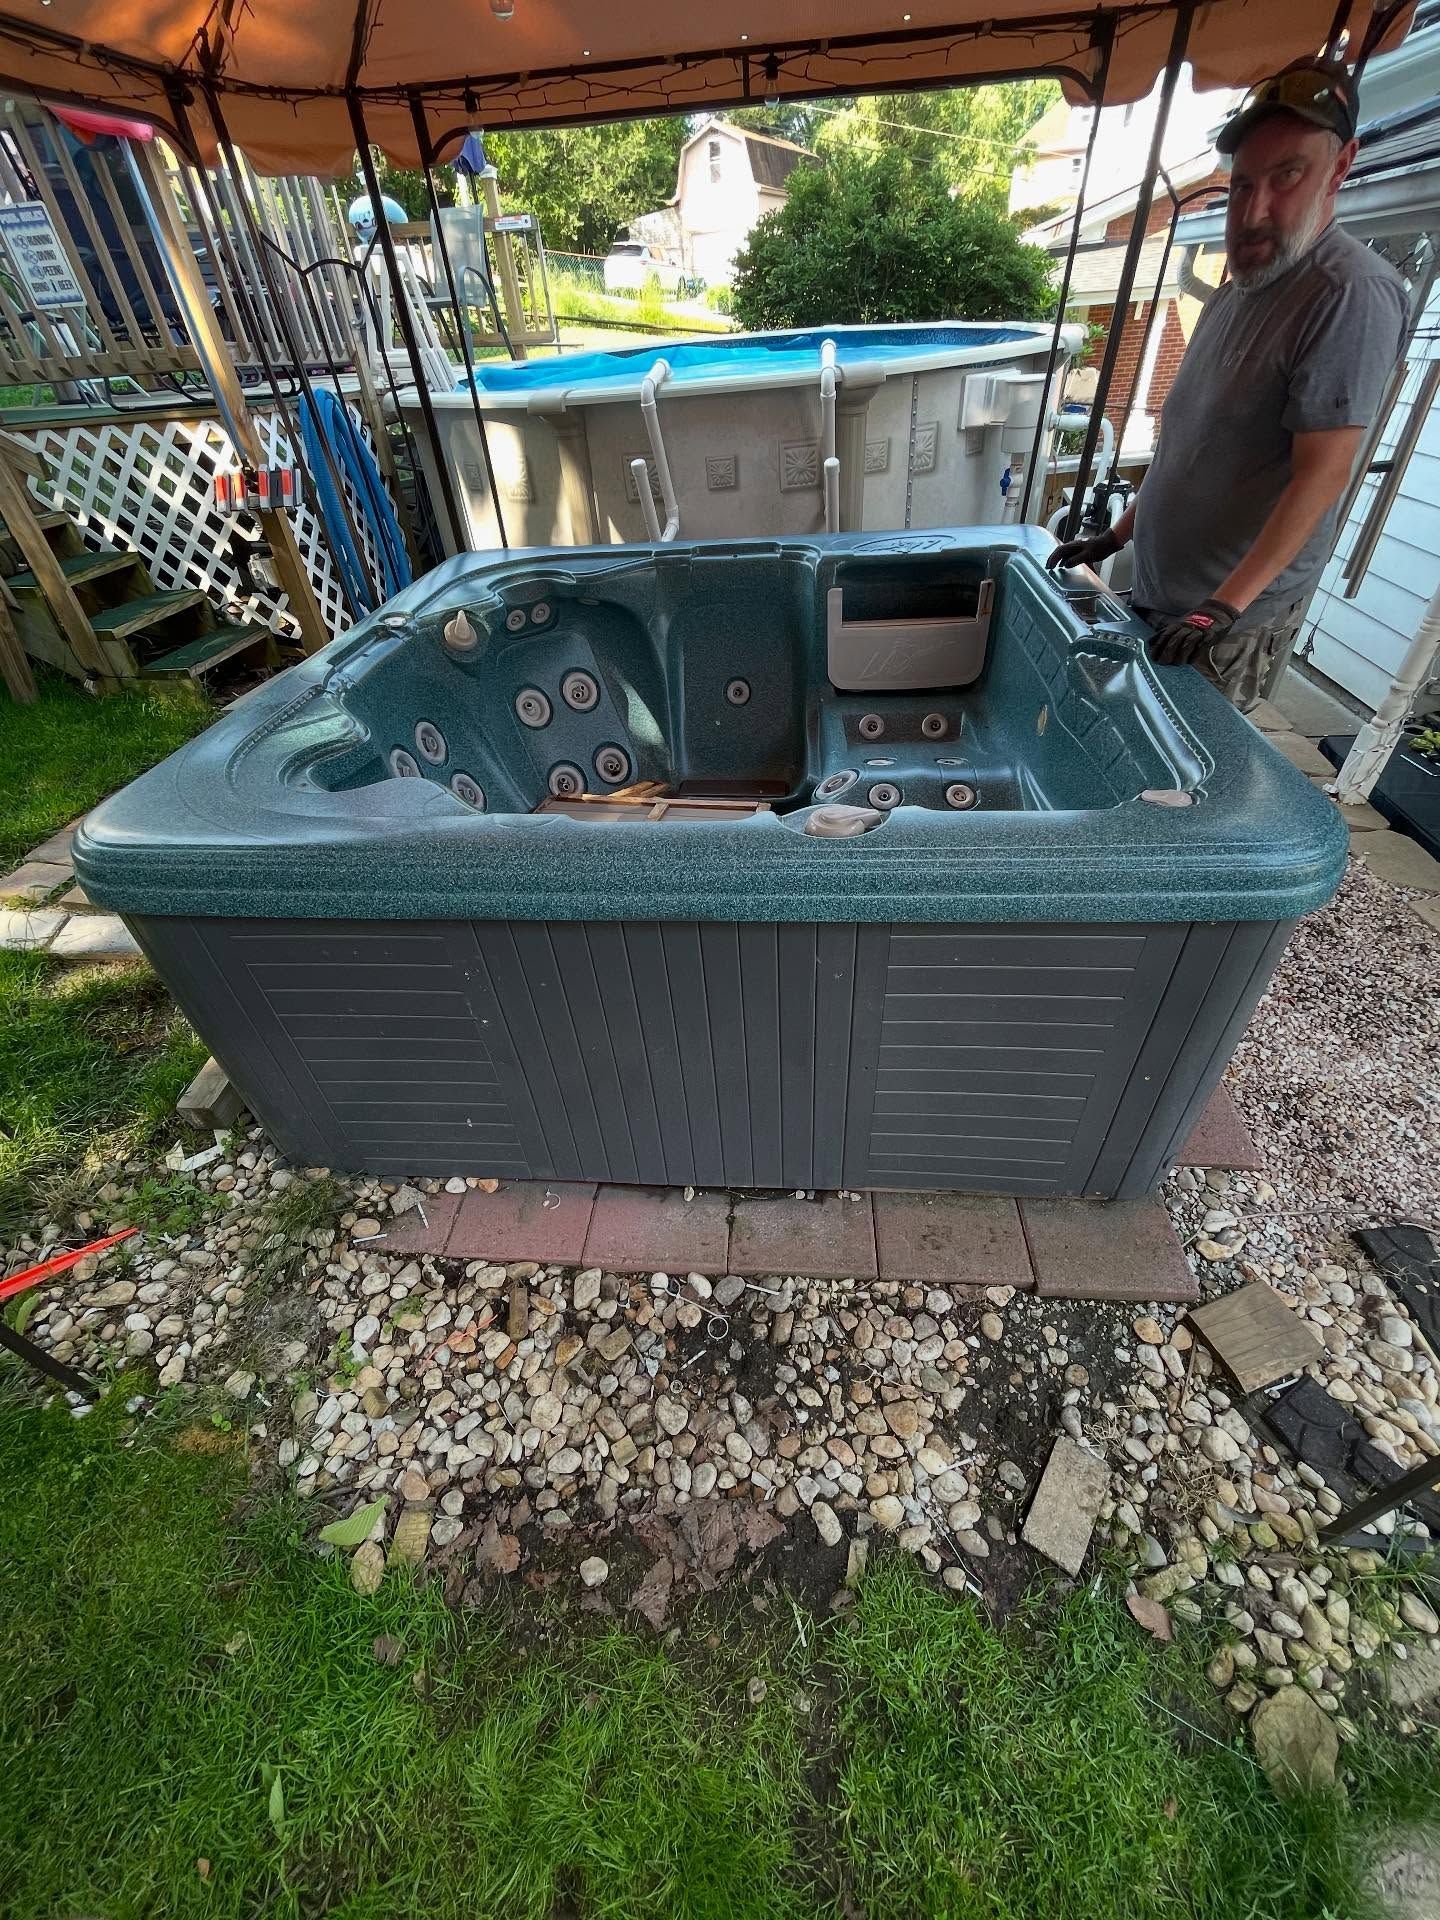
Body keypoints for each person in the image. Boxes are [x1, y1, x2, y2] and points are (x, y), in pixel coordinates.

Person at [1049, 59, 1408, 711]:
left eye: (1286, 176)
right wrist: (1115, 536)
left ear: (1342, 164)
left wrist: (1223, 608)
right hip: (1161, 600)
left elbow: (1321, 475)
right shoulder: (1234, 290)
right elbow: (1186, 449)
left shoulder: (1348, 294)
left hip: (1220, 627)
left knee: (1187, 797)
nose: (1256, 210)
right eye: (1242, 186)